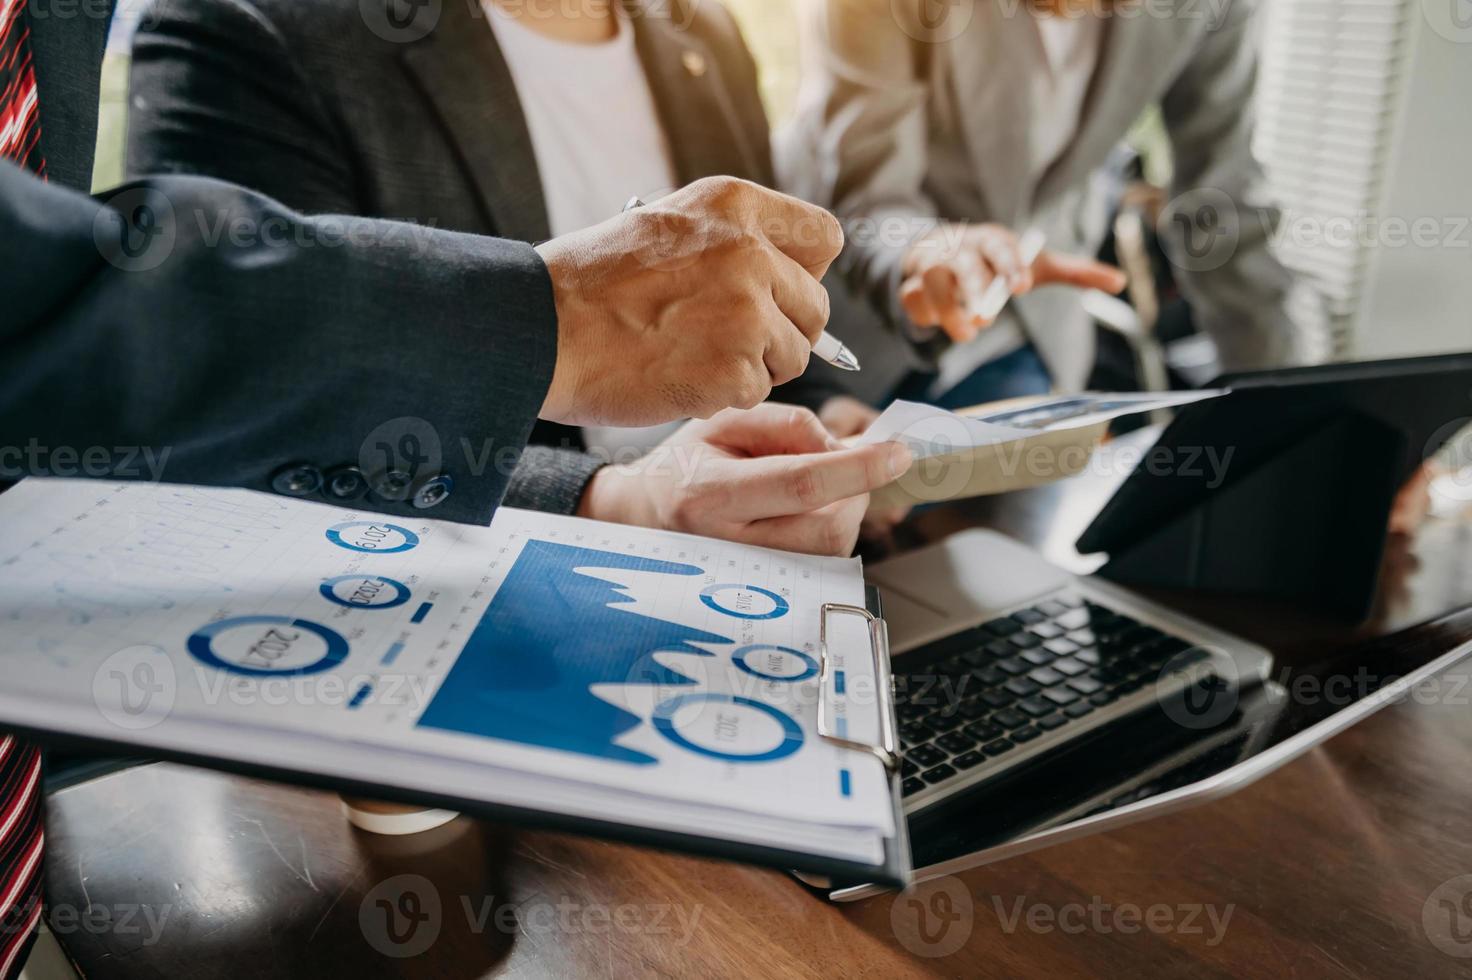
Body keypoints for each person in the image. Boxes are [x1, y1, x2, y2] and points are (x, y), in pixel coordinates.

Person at [0, 1, 905, 972]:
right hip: (379, 739)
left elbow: (766, 327)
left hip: (693, 671)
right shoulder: (265, 25)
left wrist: (799, 437)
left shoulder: (703, 37)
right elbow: (200, 408)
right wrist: (594, 458)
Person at [125, 0, 886, 450]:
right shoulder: (261, 29)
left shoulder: (703, 36)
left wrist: (818, 415)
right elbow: (262, 401)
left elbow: (764, 302)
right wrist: (603, 499)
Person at [781, 0, 1306, 409]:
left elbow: (1226, 213)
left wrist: (1295, 409)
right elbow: (867, 189)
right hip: (848, 329)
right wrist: (926, 250)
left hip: (1037, 332)